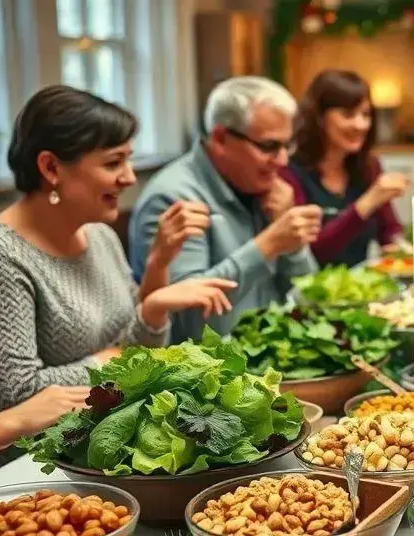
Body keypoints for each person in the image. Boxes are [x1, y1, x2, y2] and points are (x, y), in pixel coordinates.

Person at [0, 86, 234, 483]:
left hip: (100, 453)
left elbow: (137, 354)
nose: (129, 177)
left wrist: (153, 307)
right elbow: (19, 398)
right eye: (114, 163)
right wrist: (114, 356)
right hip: (26, 474)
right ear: (51, 168)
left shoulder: (100, 234)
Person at [130, 76, 323, 342]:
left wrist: (293, 246)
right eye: (269, 146)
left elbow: (310, 298)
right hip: (215, 373)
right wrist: (267, 245)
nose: (282, 160)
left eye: (287, 145)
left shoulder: (262, 186)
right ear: (220, 138)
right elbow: (189, 323)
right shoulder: (173, 197)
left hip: (274, 354)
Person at [281, 69, 407, 267]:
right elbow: (311, 253)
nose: (361, 125)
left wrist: (404, 252)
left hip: (363, 290)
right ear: (319, 117)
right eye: (348, 114)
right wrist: (366, 204)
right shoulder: (290, 172)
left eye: (365, 114)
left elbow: (389, 233)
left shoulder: (369, 167)